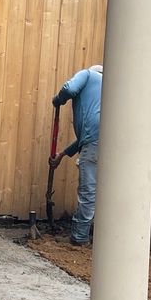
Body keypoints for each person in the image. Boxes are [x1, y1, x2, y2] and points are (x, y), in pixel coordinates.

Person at [51, 65, 103, 246]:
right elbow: (87, 140)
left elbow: (69, 89)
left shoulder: (88, 75)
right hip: (115, 143)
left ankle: (80, 237)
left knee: (88, 191)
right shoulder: (112, 87)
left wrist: (58, 100)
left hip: (95, 142)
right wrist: (63, 154)